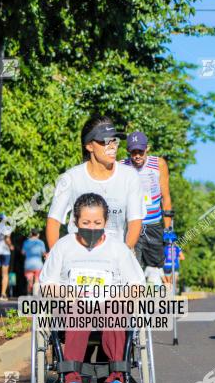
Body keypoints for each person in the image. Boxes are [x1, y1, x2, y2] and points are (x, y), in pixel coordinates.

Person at [38, 193, 145, 383]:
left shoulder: (117, 248)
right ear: (76, 221)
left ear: (105, 221)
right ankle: (72, 379)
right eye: (86, 222)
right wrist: (67, 294)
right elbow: (47, 285)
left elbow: (138, 286)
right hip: (74, 305)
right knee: (80, 308)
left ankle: (117, 378)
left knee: (113, 309)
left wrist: (120, 298)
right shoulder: (63, 246)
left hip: (110, 304)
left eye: (97, 222)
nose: (92, 227)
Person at [46, 115, 144, 251]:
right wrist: (55, 256)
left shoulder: (130, 176)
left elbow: (135, 221)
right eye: (105, 141)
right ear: (89, 146)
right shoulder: (70, 178)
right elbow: (54, 220)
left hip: (114, 259)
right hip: (77, 258)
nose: (113, 147)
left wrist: (125, 254)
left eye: (114, 141)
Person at [120, 131, 175, 273]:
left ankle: (157, 291)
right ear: (128, 152)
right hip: (132, 224)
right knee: (133, 266)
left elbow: (166, 197)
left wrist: (167, 228)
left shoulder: (159, 164)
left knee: (154, 268)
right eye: (133, 152)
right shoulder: (121, 166)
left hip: (153, 224)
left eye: (140, 151)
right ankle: (136, 293)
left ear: (147, 149)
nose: (137, 156)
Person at [0, 214, 13, 300]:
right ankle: (3, 294)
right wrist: (11, 246)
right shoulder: (8, 228)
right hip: (5, 253)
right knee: (5, 274)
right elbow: (7, 239)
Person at [21, 229, 47, 294]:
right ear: (38, 234)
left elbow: (23, 252)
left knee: (29, 280)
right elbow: (44, 253)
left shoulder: (26, 242)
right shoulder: (41, 243)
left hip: (28, 264)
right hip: (38, 264)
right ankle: (35, 296)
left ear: (31, 234)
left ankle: (29, 295)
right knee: (37, 280)